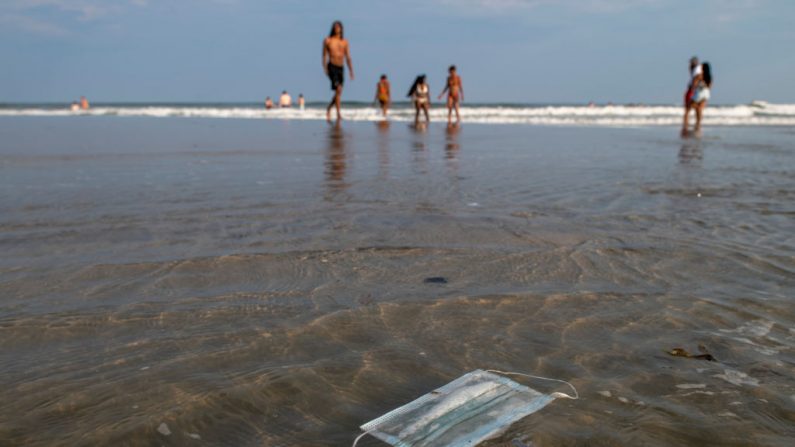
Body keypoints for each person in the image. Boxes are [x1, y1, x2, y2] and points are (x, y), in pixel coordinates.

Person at [322, 20, 354, 122]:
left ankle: (329, 108)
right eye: (335, 26)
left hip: (341, 67)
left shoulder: (345, 42)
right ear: (333, 28)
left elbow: (348, 57)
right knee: (338, 89)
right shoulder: (328, 40)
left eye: (338, 26)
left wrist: (351, 71)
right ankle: (338, 114)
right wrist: (325, 68)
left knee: (338, 92)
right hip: (332, 66)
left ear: (341, 29)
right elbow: (324, 56)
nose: (337, 28)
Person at [681, 56, 702, 135]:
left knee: (687, 108)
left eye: (691, 63)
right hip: (694, 90)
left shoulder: (697, 69)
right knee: (695, 108)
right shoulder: (696, 69)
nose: (689, 64)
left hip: (692, 90)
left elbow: (696, 78)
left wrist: (693, 88)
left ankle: (686, 125)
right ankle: (696, 124)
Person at [691, 62, 712, 133]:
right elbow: (710, 87)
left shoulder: (701, 76)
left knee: (696, 107)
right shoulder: (709, 77)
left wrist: (698, 81)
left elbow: (694, 84)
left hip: (701, 93)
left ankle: (698, 123)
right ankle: (698, 123)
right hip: (705, 93)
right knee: (699, 108)